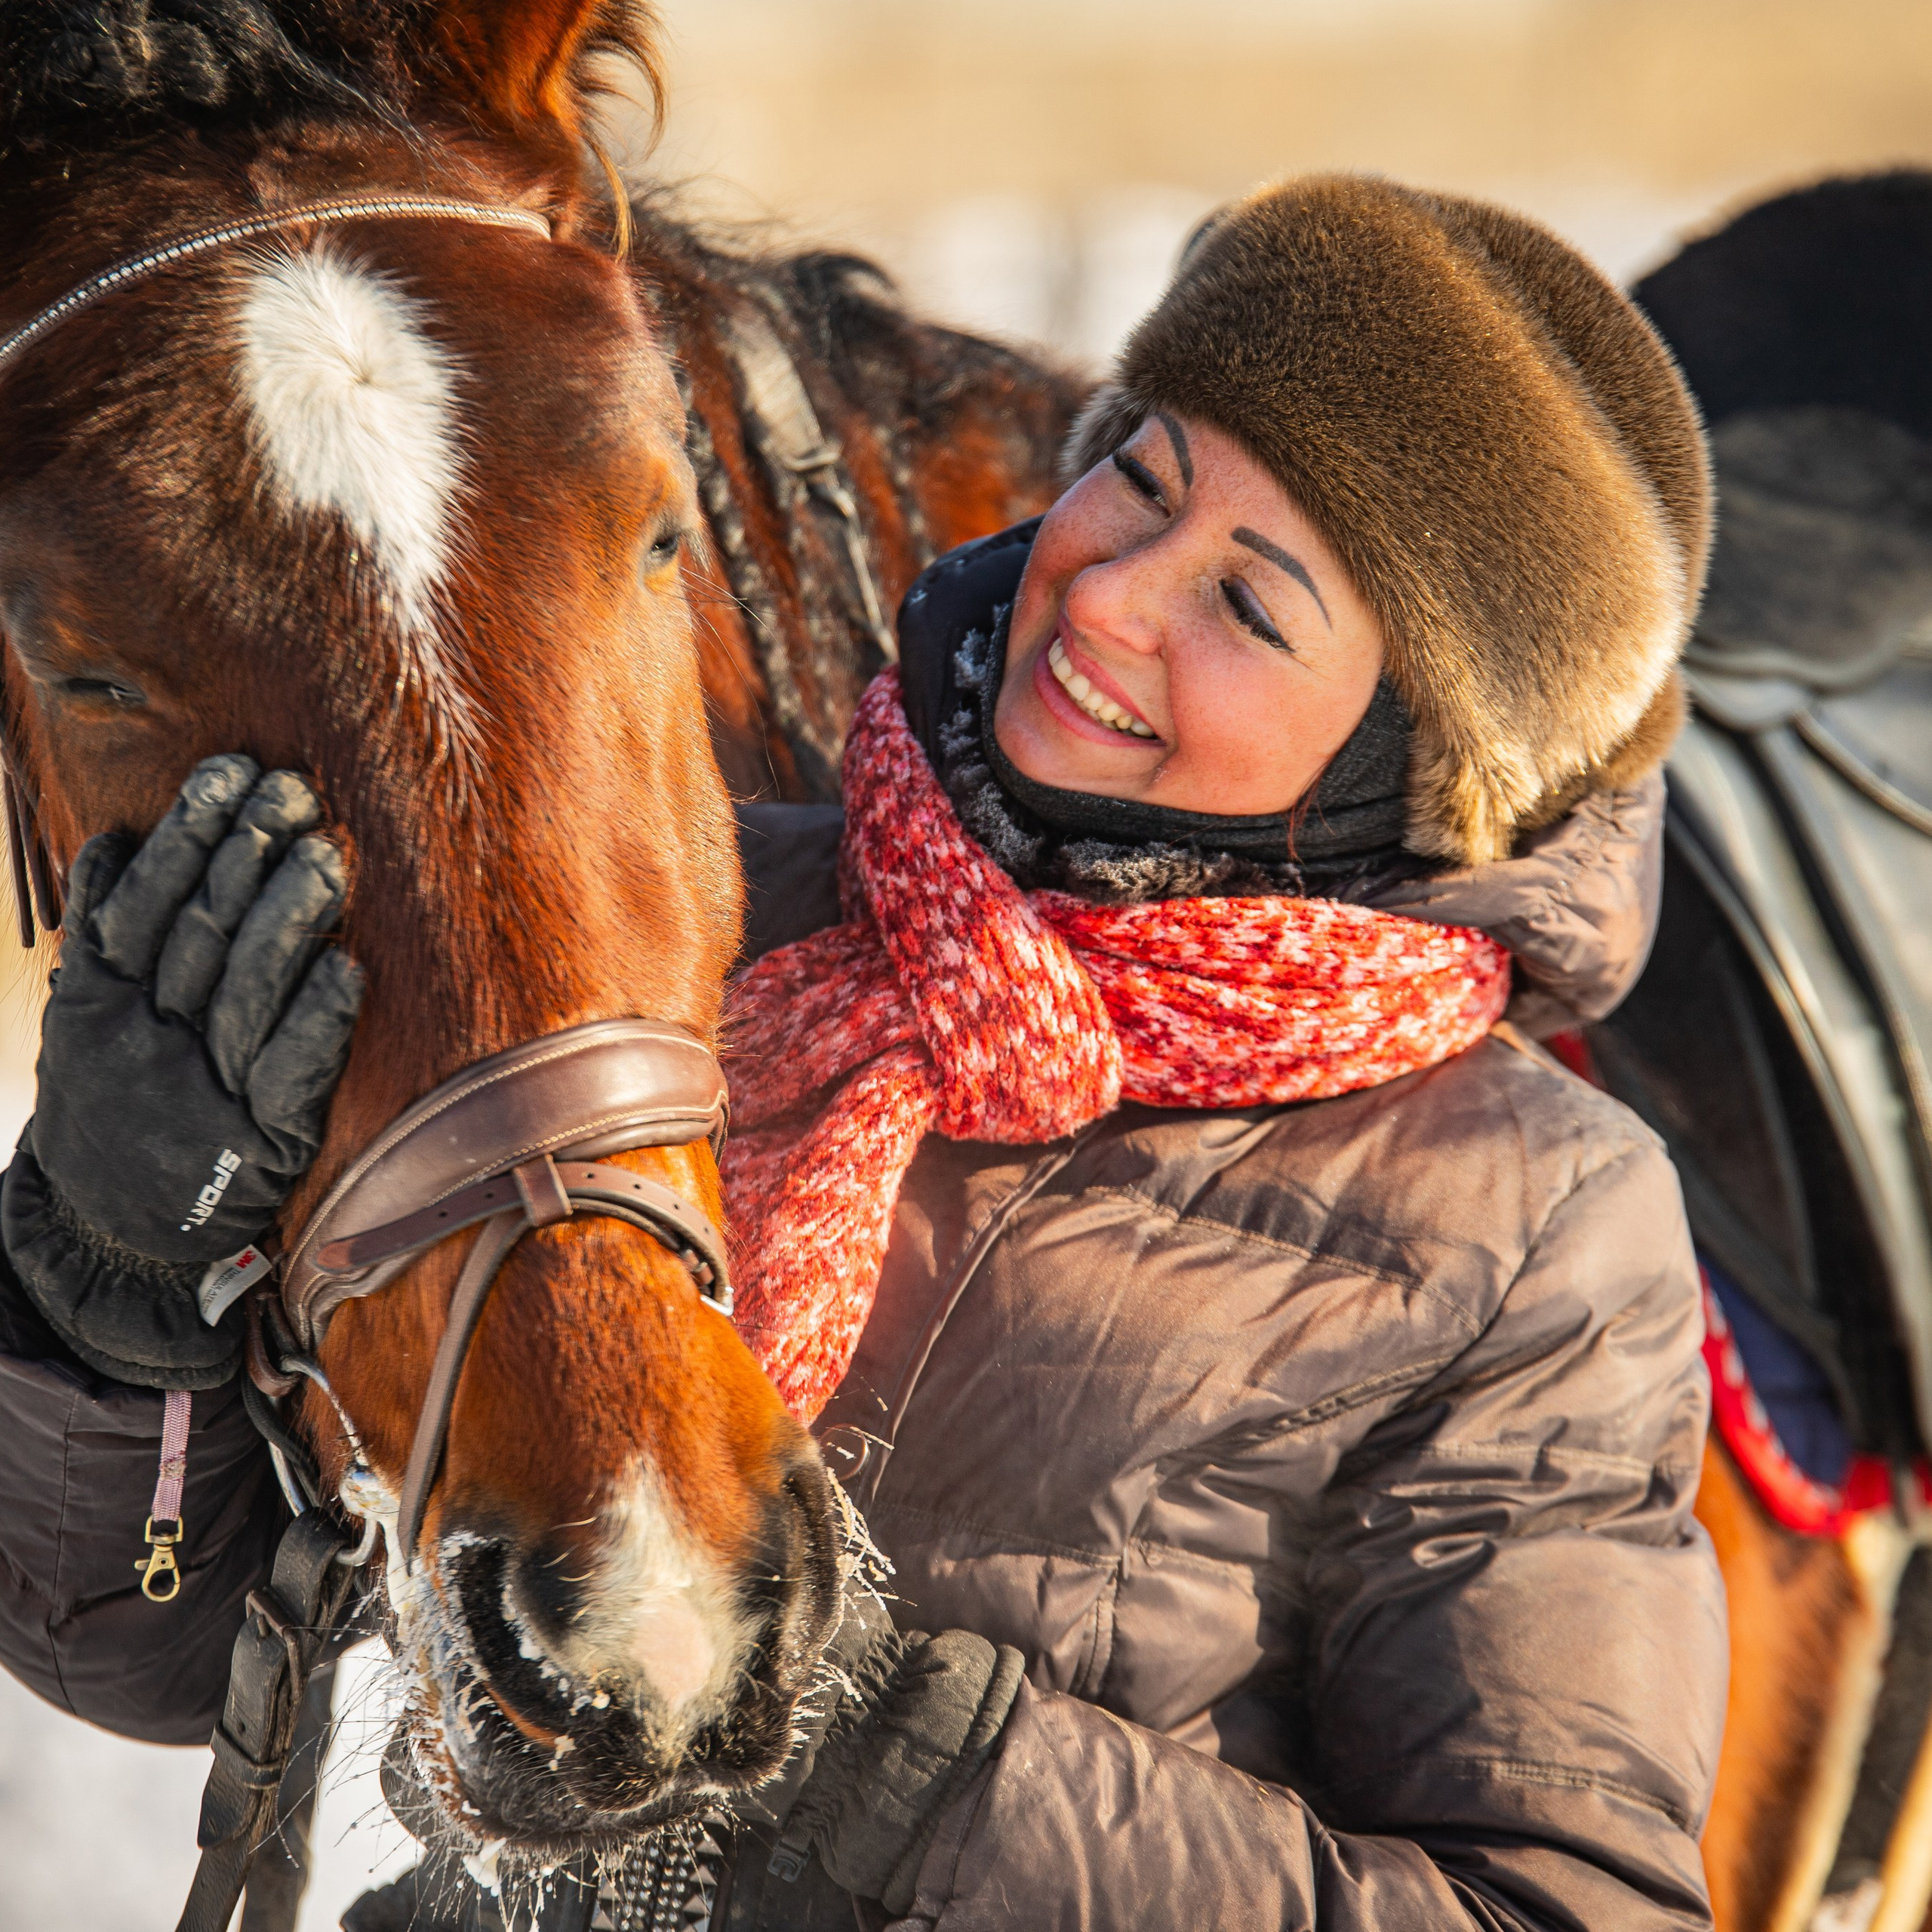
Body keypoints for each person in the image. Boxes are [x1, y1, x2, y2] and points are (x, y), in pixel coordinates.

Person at [0, 175, 1724, 1930]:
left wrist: (933, 1776)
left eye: (1253, 603)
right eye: (1134, 472)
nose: (1113, 595)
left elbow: (1553, 1911)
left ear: (1412, 759)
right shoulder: (707, 907)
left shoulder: (1529, 1221)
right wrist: (115, 1279)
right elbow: (155, 1649)